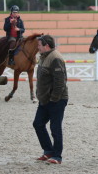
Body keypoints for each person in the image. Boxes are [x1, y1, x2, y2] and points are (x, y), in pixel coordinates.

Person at [33, 35, 68, 164]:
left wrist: (54, 99)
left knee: (55, 127)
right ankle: (48, 151)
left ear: (46, 46)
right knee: (37, 124)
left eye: (39, 45)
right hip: (45, 100)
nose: (37, 48)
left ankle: (57, 156)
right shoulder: (44, 57)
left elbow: (60, 82)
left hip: (56, 100)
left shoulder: (55, 58)